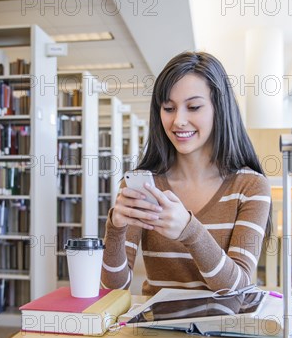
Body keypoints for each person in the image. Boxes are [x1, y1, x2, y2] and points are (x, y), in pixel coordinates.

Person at [101, 52, 272, 296]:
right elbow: (113, 287)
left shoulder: (250, 186)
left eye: (193, 107)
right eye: (169, 108)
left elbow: (238, 287)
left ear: (219, 109)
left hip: (223, 327)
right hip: (157, 327)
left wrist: (189, 231)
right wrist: (115, 226)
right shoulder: (144, 184)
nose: (178, 121)